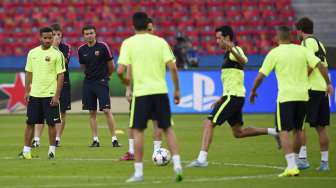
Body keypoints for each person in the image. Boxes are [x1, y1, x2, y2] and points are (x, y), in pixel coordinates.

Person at [186, 25, 280, 168]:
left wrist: (231, 48)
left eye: (219, 38)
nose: (217, 41)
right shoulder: (228, 53)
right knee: (238, 132)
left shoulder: (234, 50)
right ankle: (274, 132)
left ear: (227, 38)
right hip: (233, 96)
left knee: (209, 123)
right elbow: (233, 80)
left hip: (234, 97)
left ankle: (202, 159)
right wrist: (222, 98)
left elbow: (244, 60)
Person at [250, 26, 332, 177]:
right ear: (291, 37)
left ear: (277, 38)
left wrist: (253, 91)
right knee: (299, 130)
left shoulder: (274, 53)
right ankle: (295, 162)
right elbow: (320, 64)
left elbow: (261, 75)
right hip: (303, 96)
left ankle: (291, 166)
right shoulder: (302, 50)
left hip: (286, 96)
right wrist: (328, 83)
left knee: (283, 130)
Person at [117, 12, 183, 183]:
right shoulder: (160, 42)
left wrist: (126, 82)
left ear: (133, 25)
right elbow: (173, 68)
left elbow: (120, 71)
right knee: (167, 128)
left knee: (138, 130)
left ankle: (139, 172)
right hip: (160, 91)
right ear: (148, 24)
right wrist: (177, 90)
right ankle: (177, 165)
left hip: (141, 93)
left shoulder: (129, 43)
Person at [18, 27, 65, 159]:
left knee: (51, 123)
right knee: (30, 123)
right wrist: (27, 90)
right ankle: (26, 151)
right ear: (40, 38)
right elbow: (28, 72)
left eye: (50, 37)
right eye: (45, 38)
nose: (48, 40)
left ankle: (51, 151)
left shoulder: (57, 54)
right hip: (35, 94)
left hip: (50, 94)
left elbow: (61, 75)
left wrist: (57, 95)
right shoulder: (32, 53)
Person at [120, 17, 163, 161]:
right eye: (147, 29)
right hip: (139, 91)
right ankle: (132, 152)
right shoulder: (135, 45)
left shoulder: (159, 44)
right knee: (133, 124)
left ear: (154, 29)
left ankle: (157, 152)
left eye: (151, 29)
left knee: (157, 123)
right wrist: (128, 88)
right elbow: (129, 68)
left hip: (156, 91)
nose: (149, 32)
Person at [296, 17, 331, 171]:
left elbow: (312, 63)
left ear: (300, 30)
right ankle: (325, 163)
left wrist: (300, 78)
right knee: (321, 127)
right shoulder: (320, 44)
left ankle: (302, 159)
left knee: (299, 125)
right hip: (322, 89)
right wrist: (328, 84)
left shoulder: (306, 43)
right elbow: (323, 66)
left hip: (310, 89)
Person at [78, 25, 121, 147]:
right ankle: (95, 140)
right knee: (92, 112)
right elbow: (83, 66)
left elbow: (111, 65)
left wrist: (107, 76)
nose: (89, 35)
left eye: (91, 33)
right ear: (84, 36)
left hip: (101, 82)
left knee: (106, 110)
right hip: (88, 83)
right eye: (87, 34)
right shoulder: (81, 50)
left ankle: (114, 139)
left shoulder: (103, 47)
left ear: (95, 34)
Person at [31, 23, 71, 148]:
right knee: (41, 113)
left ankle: (57, 138)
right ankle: (36, 139)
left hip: (63, 84)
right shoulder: (41, 50)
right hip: (47, 85)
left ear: (62, 35)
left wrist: (56, 48)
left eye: (58, 34)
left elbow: (66, 62)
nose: (56, 37)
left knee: (62, 112)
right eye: (54, 35)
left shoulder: (66, 48)